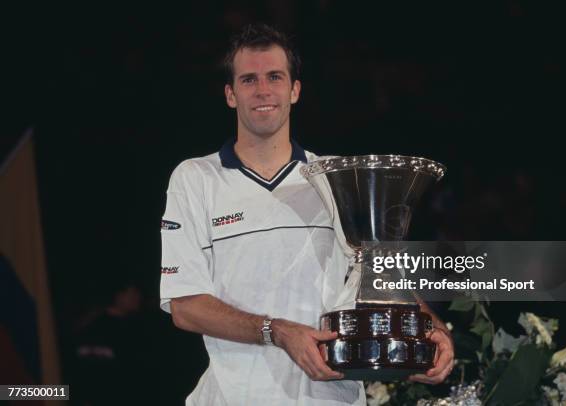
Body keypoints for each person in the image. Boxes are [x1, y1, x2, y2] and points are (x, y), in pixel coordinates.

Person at [160, 23, 454, 405]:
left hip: (332, 397)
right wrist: (277, 331)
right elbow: (184, 306)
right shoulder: (196, 177)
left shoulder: (336, 176)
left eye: (275, 77)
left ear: (294, 90)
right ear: (230, 95)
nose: (263, 90)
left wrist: (432, 331)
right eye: (249, 80)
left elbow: (378, 274)